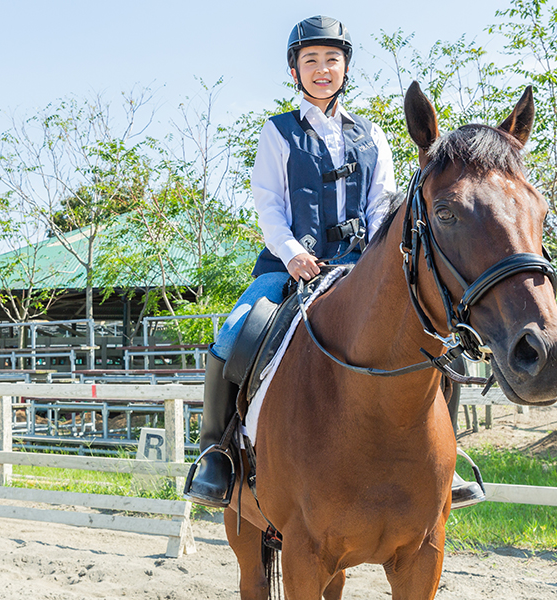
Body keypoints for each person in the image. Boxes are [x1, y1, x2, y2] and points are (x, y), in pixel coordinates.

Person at [183, 15, 486, 510]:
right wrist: (294, 254)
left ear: (346, 68)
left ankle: (446, 458)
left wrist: (370, 261)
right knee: (234, 332)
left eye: (332, 60)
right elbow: (269, 207)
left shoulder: (372, 135)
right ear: (295, 70)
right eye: (311, 61)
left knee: (441, 340)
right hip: (289, 266)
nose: (322, 69)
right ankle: (215, 453)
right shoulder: (276, 133)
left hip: (360, 267)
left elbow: (382, 205)